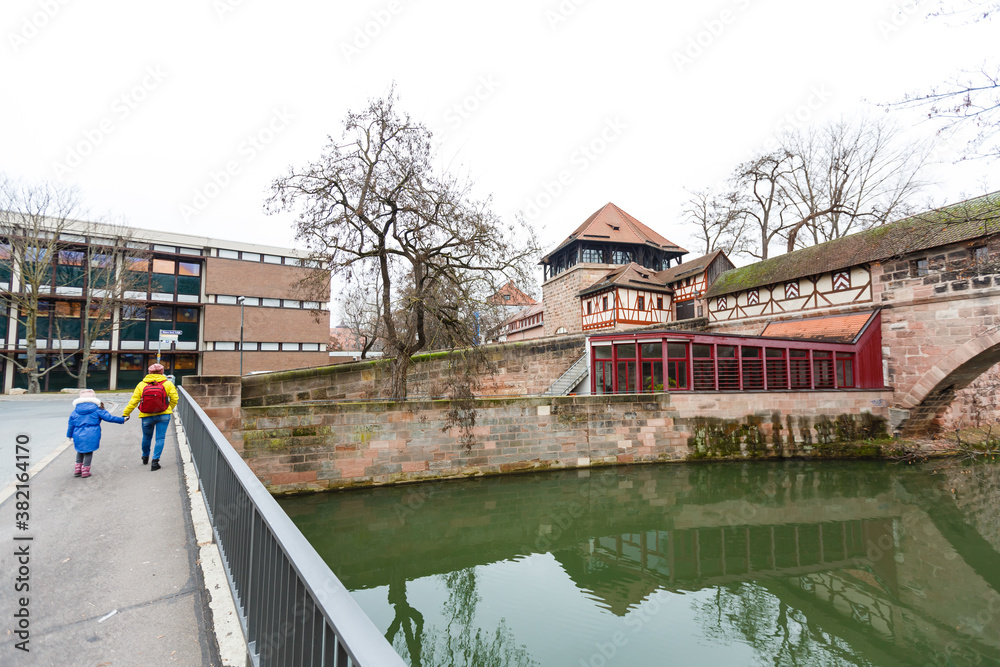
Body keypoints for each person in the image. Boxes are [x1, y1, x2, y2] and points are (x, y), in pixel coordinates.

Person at [123, 363, 179, 471]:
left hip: (146, 415)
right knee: (160, 438)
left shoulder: (141, 384)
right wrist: (168, 408)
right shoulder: (167, 384)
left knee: (146, 437)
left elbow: (134, 401)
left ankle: (145, 456)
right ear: (162, 372)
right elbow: (175, 398)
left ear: (149, 372)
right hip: (163, 414)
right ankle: (155, 461)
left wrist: (126, 413)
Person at [67, 388, 126, 478]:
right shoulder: (96, 409)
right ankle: (85, 470)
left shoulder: (75, 411)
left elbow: (71, 424)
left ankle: (77, 469)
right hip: (92, 433)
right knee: (88, 451)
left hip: (77, 433)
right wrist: (122, 419)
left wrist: (69, 435)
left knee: (80, 450)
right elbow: (109, 418)